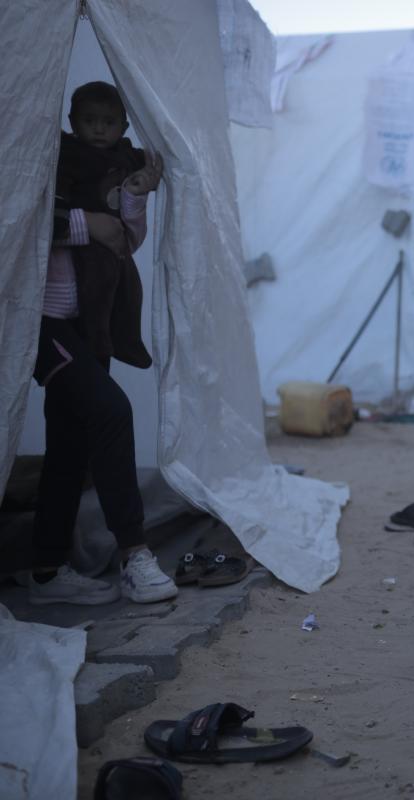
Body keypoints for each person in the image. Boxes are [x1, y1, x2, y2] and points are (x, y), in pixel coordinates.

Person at [28, 81, 176, 606]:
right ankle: (134, 554)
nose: (97, 130)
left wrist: (132, 198)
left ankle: (46, 572)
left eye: (107, 122)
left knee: (69, 446)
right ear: (71, 121)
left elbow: (124, 238)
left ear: (122, 127)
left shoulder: (116, 167)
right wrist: (86, 222)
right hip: (43, 321)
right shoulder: (46, 157)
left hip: (91, 323)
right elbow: (23, 222)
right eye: (88, 120)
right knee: (112, 411)